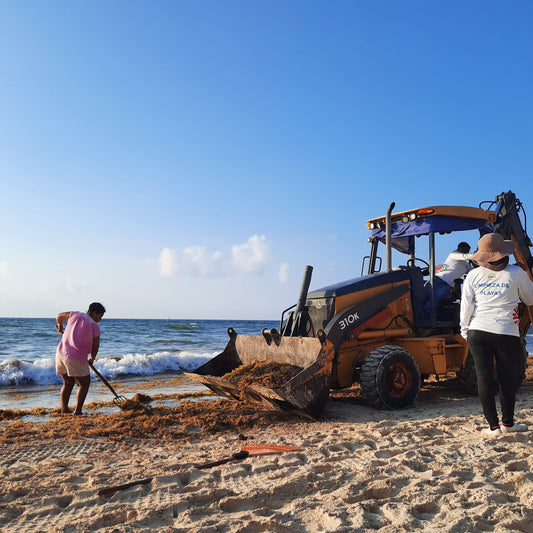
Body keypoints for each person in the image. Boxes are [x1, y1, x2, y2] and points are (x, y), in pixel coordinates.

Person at [460, 233, 533, 437]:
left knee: (484, 378)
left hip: (477, 331)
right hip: (505, 332)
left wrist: (464, 331)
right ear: (505, 254)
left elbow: (466, 307)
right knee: (506, 378)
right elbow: (530, 298)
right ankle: (508, 423)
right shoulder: (516, 273)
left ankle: (492, 427)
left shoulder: (473, 276)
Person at [55, 302, 106, 415]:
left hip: (61, 353)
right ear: (94, 313)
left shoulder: (75, 314)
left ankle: (64, 409)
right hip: (75, 357)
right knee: (84, 384)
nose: (100, 319)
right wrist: (92, 357)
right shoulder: (94, 326)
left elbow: (59, 316)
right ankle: (78, 411)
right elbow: (95, 346)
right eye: (100, 316)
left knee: (68, 383)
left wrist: (60, 326)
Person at [425, 242, 474, 314]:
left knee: (435, 299)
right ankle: (418, 317)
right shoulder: (454, 254)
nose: (468, 252)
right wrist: (479, 255)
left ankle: (426, 318)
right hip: (437, 280)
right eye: (467, 250)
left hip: (447, 285)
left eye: (468, 250)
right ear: (460, 248)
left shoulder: (465, 265)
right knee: (422, 297)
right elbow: (465, 256)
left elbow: (473, 271)